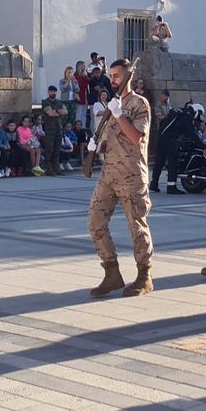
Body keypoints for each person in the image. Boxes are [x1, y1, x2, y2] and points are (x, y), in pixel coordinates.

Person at [84, 59, 156, 298]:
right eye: (111, 76)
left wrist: (119, 115)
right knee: (95, 221)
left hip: (132, 174)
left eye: (116, 76)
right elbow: (109, 142)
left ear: (128, 78)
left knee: (137, 226)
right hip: (109, 175)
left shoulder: (139, 103)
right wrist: (97, 146)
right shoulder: (112, 105)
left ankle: (144, 276)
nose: (113, 80)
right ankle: (111, 272)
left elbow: (137, 137)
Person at [41, 85, 67, 176]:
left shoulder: (59, 102)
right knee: (49, 149)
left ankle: (56, 167)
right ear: (48, 92)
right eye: (51, 91)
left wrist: (56, 111)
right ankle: (48, 168)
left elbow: (65, 111)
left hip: (58, 128)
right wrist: (58, 112)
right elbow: (50, 113)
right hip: (49, 129)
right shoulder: (45, 102)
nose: (53, 93)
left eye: (54, 91)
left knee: (57, 150)